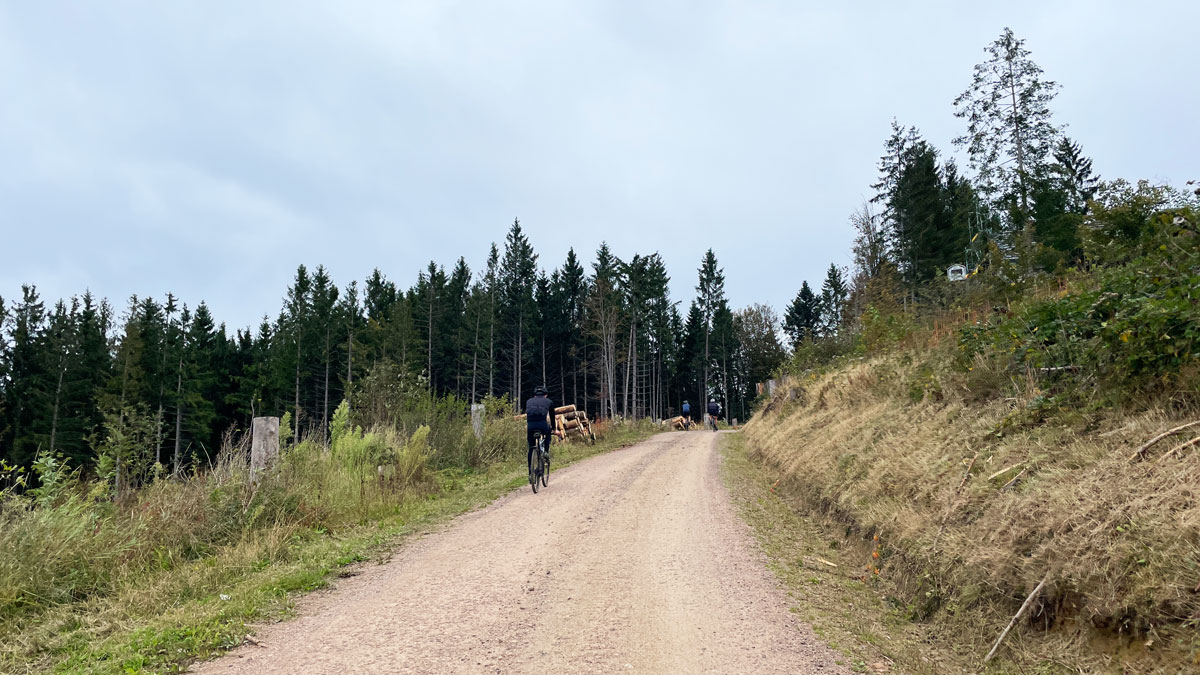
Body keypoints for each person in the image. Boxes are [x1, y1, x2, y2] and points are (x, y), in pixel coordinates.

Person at [525, 385, 559, 475]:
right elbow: (552, 417)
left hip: (530, 426)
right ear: (546, 395)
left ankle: (530, 472)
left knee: (531, 448)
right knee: (548, 433)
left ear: (534, 395)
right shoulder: (549, 401)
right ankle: (546, 452)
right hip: (542, 425)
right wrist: (554, 429)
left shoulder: (529, 401)